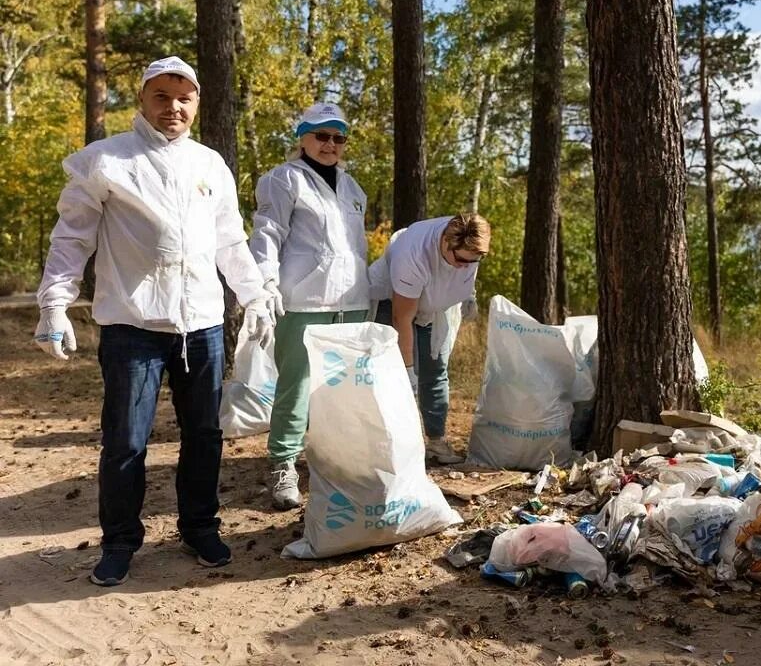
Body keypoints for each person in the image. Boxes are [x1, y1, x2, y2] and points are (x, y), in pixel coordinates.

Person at [34, 56, 275, 587]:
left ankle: (198, 527)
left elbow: (230, 240)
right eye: (162, 96)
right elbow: (73, 238)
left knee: (206, 434)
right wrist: (55, 302)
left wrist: (255, 295)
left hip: (203, 325)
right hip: (133, 326)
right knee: (126, 440)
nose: (174, 107)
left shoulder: (210, 165)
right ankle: (120, 541)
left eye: (184, 97)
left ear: (197, 103)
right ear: (142, 99)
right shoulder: (106, 161)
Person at [249, 102, 371, 510]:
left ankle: (332, 460)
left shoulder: (353, 189)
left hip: (350, 303)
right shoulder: (283, 180)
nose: (330, 144)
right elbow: (267, 232)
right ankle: (283, 464)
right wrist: (264, 283)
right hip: (303, 302)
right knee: (296, 387)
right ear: (302, 138)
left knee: (342, 391)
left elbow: (356, 247)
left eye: (338, 137)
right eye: (321, 135)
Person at [387, 213, 490, 465]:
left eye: (473, 261)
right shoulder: (413, 255)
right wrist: (408, 370)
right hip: (395, 303)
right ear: (445, 242)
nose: (466, 266)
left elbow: (466, 269)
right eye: (461, 260)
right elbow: (402, 319)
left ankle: (436, 441)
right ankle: (395, 447)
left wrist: (469, 295)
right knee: (393, 378)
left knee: (437, 369)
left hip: (436, 307)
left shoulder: (467, 246)